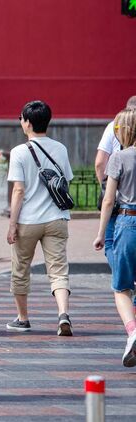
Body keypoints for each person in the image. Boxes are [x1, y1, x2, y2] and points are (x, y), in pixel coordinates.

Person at [6, 100, 74, 336]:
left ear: (27, 122)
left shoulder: (19, 152)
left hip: (28, 220)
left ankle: (23, 318)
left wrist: (12, 225)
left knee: (20, 268)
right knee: (58, 270)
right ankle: (63, 314)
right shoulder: (61, 149)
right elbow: (66, 180)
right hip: (57, 218)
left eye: (21, 118)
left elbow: (18, 190)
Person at [94, 108, 136, 367]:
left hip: (127, 222)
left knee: (121, 287)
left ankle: (132, 332)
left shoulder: (119, 158)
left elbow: (109, 199)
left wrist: (100, 234)